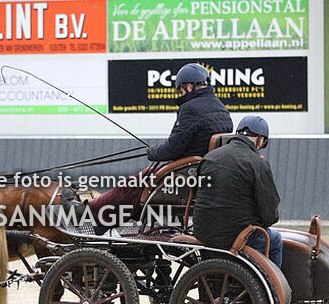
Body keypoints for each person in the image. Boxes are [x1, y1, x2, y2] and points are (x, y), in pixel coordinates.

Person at [63, 63, 232, 232]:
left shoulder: (190, 109)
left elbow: (172, 149)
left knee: (132, 184)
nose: (181, 94)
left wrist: (153, 151)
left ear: (189, 86)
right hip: (202, 172)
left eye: (181, 90)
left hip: (185, 173)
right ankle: (109, 222)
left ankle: (88, 212)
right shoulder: (222, 109)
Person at [192, 115, 283, 268]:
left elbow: (198, 194)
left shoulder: (209, 157)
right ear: (260, 140)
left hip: (203, 232)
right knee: (275, 240)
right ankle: (274, 289)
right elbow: (269, 213)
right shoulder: (258, 163)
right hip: (236, 236)